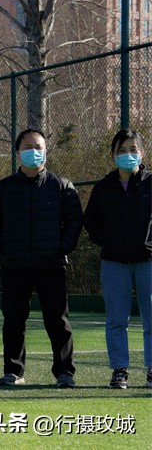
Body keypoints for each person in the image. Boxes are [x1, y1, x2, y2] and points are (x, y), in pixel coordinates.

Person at [0, 129, 83, 388]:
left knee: (57, 320)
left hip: (51, 264)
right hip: (14, 264)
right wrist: (4, 248)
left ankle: (65, 373)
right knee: (14, 319)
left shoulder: (61, 186)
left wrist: (62, 247)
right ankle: (14, 371)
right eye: (28, 147)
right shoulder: (3, 188)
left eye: (38, 146)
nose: (33, 151)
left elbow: (74, 221)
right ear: (18, 153)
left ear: (46, 151)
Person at [83, 129, 152, 389]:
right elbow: (91, 222)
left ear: (142, 152)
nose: (128, 155)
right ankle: (119, 370)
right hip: (114, 262)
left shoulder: (150, 182)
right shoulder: (103, 187)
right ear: (113, 155)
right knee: (115, 319)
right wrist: (109, 241)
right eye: (122, 150)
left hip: (148, 260)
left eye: (133, 149)